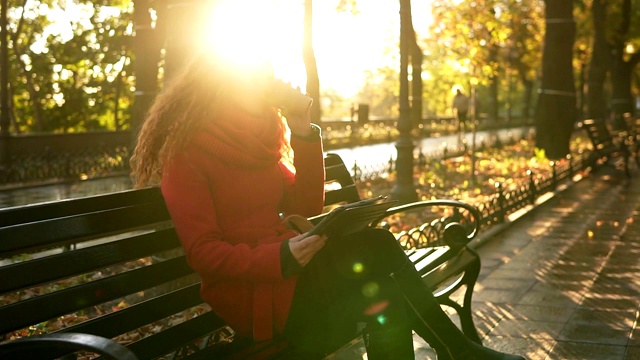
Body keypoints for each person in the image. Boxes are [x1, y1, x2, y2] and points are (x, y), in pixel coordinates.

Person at [130, 51, 526, 359]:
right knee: (377, 262)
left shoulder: (262, 135)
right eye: (254, 78)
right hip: (253, 294)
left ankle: (456, 352)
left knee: (378, 284)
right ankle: (457, 351)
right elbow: (203, 252)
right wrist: (281, 256)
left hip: (294, 277)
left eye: (264, 75)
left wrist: (302, 128)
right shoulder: (187, 152)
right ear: (221, 85)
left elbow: (305, 203)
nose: (266, 84)